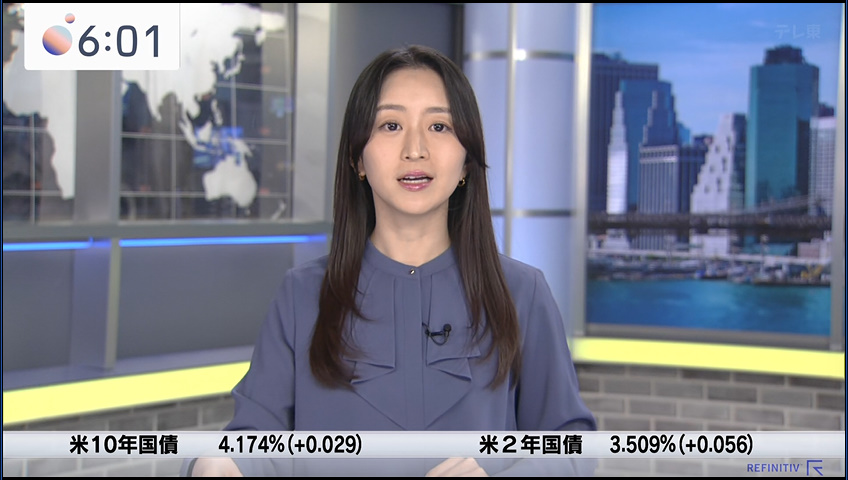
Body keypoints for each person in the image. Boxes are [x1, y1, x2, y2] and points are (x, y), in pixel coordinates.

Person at [184, 44, 597, 477]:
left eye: (439, 126)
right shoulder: (302, 294)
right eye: (391, 125)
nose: (415, 149)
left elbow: (571, 446)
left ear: (466, 162)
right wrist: (215, 464)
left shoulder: (521, 292)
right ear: (357, 158)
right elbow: (253, 440)